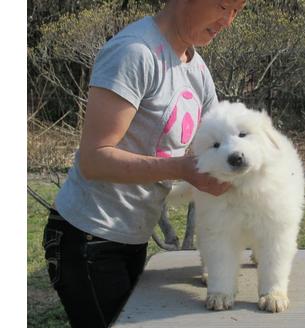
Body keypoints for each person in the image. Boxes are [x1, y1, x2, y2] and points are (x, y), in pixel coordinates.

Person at [42, 1, 247, 327]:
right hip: (89, 238)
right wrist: (181, 169)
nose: (228, 21)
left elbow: (218, 145)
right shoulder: (134, 52)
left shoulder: (198, 71)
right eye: (223, 6)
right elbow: (94, 159)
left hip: (131, 238)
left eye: (238, 10)